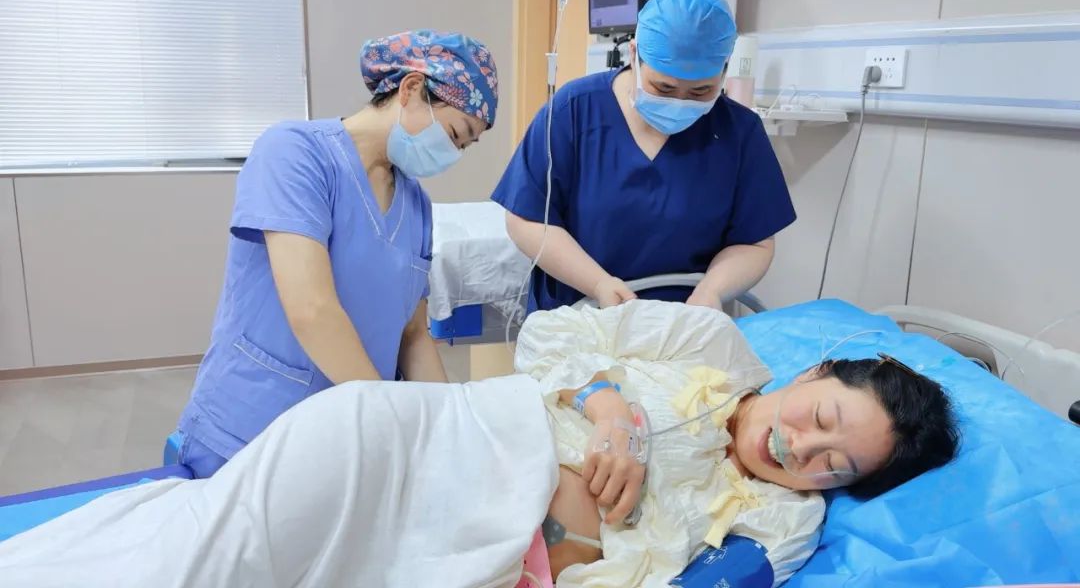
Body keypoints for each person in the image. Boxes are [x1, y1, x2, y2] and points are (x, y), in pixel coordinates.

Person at [0, 302, 959, 588]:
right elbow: (552, 334)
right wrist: (611, 408)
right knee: (206, 559)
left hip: (487, 557)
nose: (802, 451)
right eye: (820, 417)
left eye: (836, 466)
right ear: (809, 373)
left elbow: (698, 580)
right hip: (421, 449)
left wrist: (565, 555)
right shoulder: (711, 344)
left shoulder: (781, 518)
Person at [174, 29, 500, 478]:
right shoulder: (294, 154)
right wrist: (387, 416)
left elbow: (413, 335)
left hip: (344, 443)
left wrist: (448, 427)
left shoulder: (417, 208)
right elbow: (312, 310)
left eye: (463, 147)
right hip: (251, 434)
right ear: (410, 89)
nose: (452, 154)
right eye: (454, 134)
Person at [492, 0, 796, 313]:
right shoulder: (574, 111)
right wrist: (598, 284)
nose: (679, 101)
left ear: (724, 70)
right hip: (579, 318)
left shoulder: (739, 132)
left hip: (685, 322)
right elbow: (527, 219)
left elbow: (754, 243)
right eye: (663, 87)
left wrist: (711, 291)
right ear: (634, 54)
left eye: (700, 92)